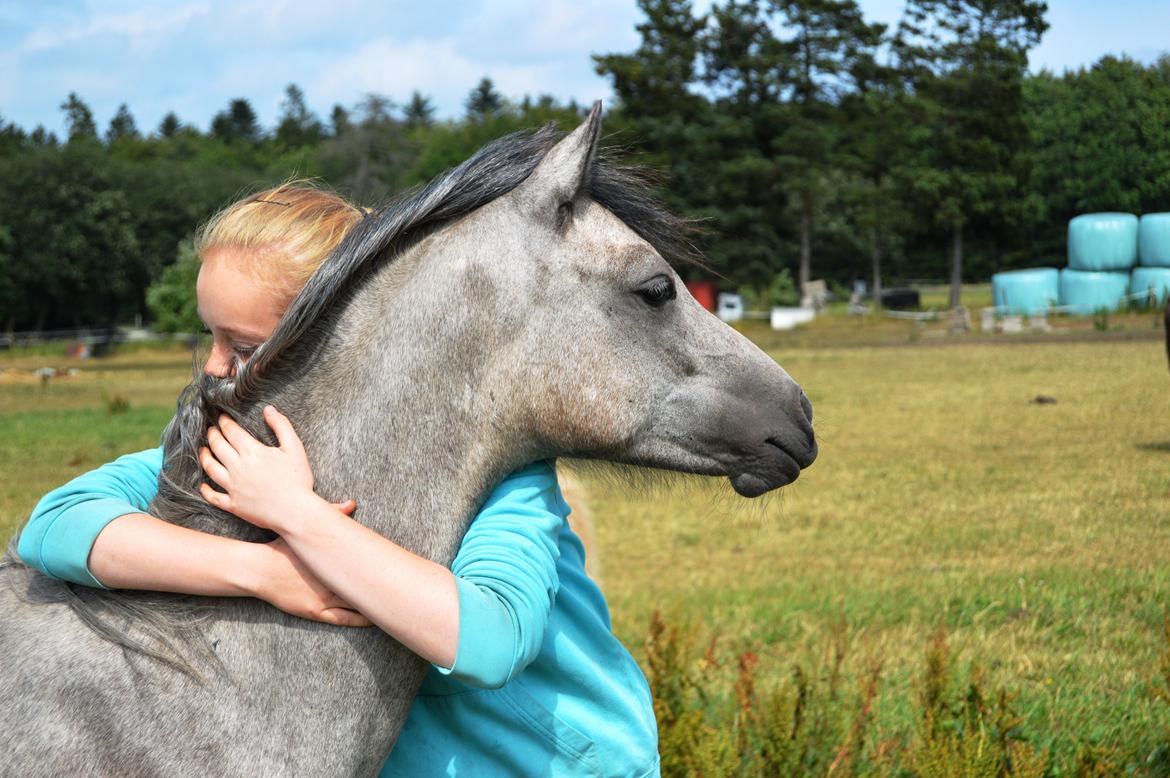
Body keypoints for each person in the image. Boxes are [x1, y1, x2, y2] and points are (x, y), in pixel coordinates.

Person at [17, 183, 660, 777]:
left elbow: (488, 643)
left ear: (335, 341)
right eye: (206, 335)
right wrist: (264, 573)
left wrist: (298, 514)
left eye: (240, 346)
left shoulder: (497, 463)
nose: (213, 368)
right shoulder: (244, 451)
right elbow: (55, 526)